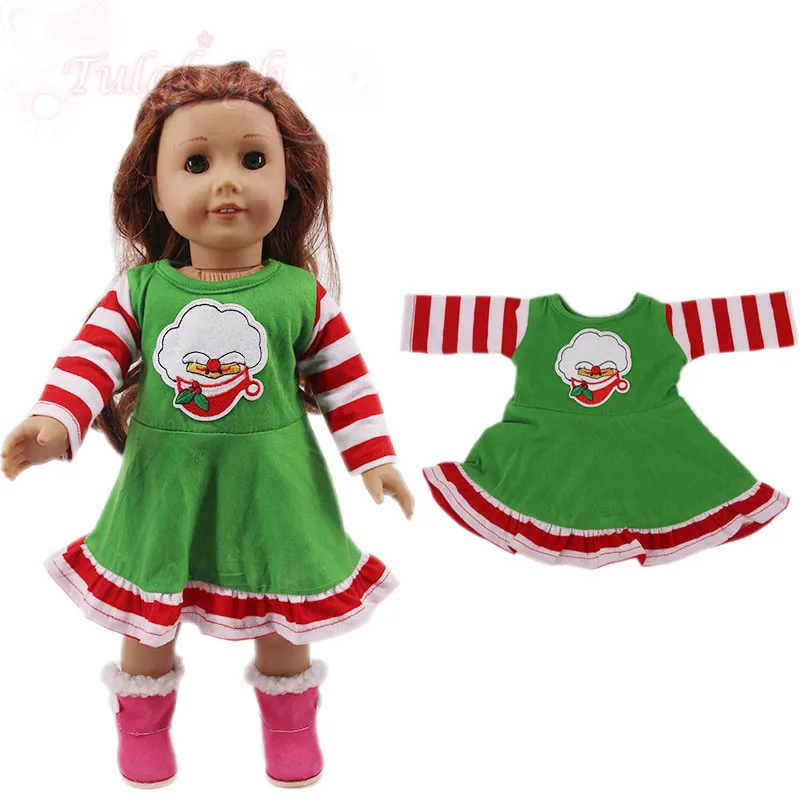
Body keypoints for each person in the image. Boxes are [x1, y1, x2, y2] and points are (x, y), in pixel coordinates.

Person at [1, 60, 413, 789]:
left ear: (289, 181)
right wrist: (55, 419)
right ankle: (142, 729)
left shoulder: (301, 294)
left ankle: (290, 727)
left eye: (253, 160)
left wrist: (373, 458)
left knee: (284, 611)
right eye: (197, 163)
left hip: (275, 485)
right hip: (166, 483)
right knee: (148, 613)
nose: (228, 183)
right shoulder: (141, 290)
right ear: (155, 189)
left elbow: (344, 379)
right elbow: (91, 357)